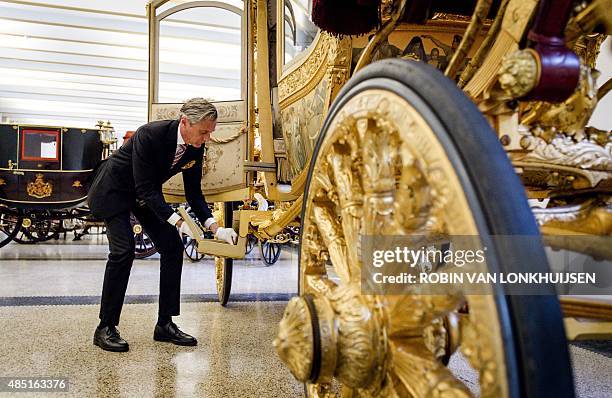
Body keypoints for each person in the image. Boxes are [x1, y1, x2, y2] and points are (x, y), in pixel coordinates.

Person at [88, 98, 238, 352]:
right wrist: (179, 221)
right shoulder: (151, 134)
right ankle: (105, 327)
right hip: (114, 191)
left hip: (143, 196)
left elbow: (194, 193)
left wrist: (215, 227)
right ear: (185, 122)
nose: (207, 138)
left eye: (210, 132)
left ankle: (164, 324)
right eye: (203, 132)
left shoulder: (195, 147)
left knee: (171, 247)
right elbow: (146, 188)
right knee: (123, 252)